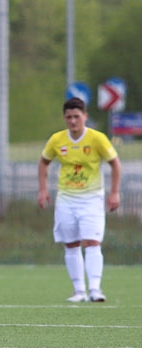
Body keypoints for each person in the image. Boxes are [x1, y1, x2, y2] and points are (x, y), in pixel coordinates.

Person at [37, 97, 121, 303]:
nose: (73, 121)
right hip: (66, 199)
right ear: (64, 118)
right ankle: (79, 291)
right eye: (69, 117)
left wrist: (114, 192)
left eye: (76, 116)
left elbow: (115, 164)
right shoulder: (57, 140)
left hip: (92, 198)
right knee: (71, 243)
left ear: (85, 116)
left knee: (92, 242)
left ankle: (95, 289)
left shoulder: (97, 139)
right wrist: (42, 190)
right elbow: (43, 162)